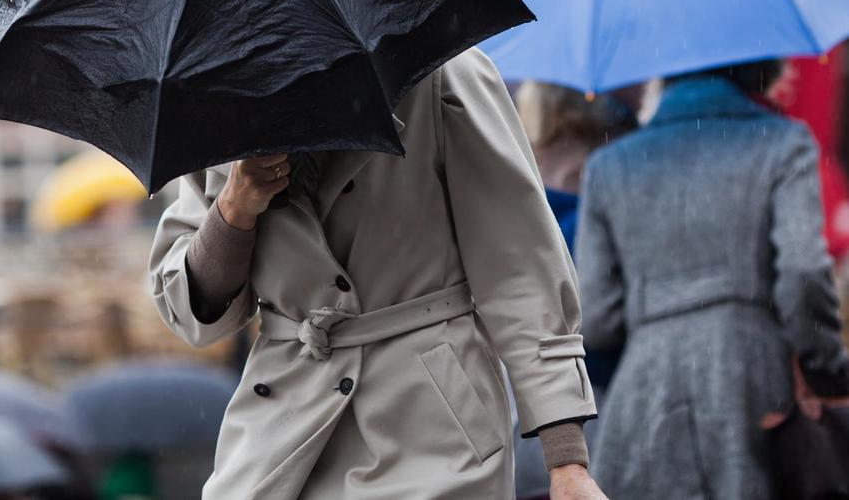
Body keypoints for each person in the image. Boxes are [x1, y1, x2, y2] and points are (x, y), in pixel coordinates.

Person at [150, 48, 606, 499]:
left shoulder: (441, 71)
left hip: (433, 431)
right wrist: (234, 209)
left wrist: (565, 456)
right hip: (281, 435)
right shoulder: (213, 100)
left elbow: (519, 265)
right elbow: (193, 313)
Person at [576, 60, 849, 499]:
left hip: (645, 396)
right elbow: (802, 274)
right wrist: (826, 370)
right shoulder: (781, 142)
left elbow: (596, 319)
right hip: (752, 382)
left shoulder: (608, 166)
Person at [512, 82, 638, 500]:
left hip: (525, 406)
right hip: (602, 403)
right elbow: (600, 319)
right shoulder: (621, 164)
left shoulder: (511, 158)